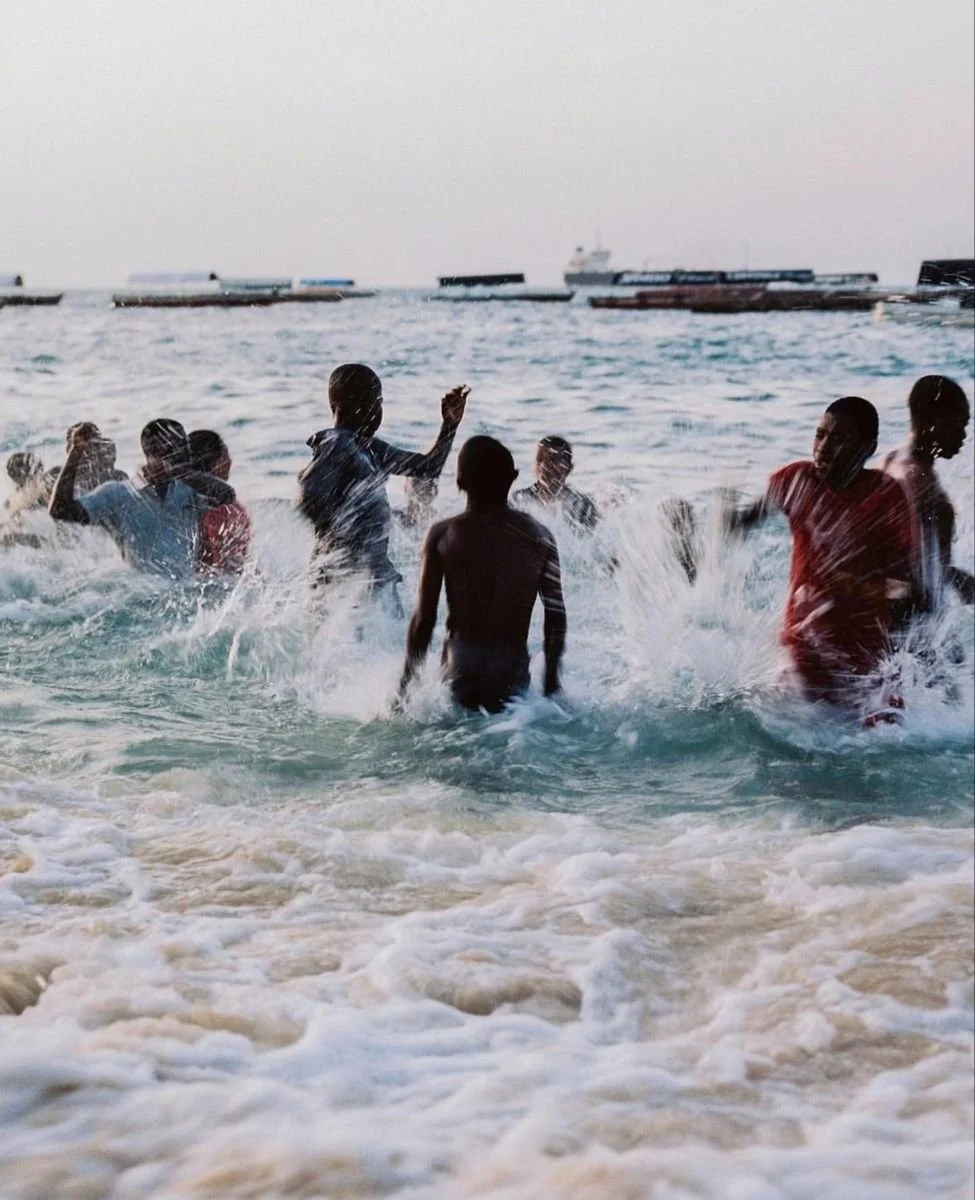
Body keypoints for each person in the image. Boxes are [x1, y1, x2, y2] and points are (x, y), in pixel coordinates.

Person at [724, 396, 913, 711]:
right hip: (803, 647)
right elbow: (741, 524)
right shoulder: (797, 480)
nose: (823, 447)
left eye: (839, 439)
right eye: (820, 435)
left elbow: (908, 586)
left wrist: (860, 587)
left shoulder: (886, 496)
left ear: (868, 448)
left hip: (861, 660)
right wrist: (715, 527)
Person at [399, 436, 566, 713]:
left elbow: (424, 619)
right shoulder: (540, 537)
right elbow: (555, 615)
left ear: (460, 482)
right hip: (510, 676)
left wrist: (406, 684)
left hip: (460, 673)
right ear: (513, 478)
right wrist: (551, 681)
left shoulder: (443, 535)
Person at [297, 363, 468, 594]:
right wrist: (341, 534)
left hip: (373, 577)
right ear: (360, 405)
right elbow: (309, 492)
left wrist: (449, 426)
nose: (379, 409)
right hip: (344, 580)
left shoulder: (370, 448)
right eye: (378, 401)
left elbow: (428, 468)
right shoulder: (338, 444)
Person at [49, 419, 235, 578]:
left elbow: (227, 495)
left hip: (184, 598)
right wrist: (76, 453)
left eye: (183, 453)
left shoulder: (190, 492)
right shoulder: (118, 494)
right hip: (140, 597)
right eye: (173, 453)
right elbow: (60, 511)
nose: (181, 459)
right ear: (151, 454)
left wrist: (178, 473)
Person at [881, 375, 974, 612]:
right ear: (933, 420)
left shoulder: (888, 463)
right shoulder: (928, 492)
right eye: (959, 424)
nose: (963, 436)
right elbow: (926, 585)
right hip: (909, 627)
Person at [188, 429, 251, 575]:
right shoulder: (224, 508)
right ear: (218, 461)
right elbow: (231, 567)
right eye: (226, 454)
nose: (230, 461)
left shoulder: (181, 501)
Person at [513, 436, 598, 531]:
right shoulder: (518, 500)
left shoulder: (582, 505)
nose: (544, 466)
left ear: (569, 468)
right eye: (540, 459)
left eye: (552, 460)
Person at [64, 423, 128, 496]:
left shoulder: (119, 477)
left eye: (96, 445)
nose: (91, 451)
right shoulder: (69, 484)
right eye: (82, 448)